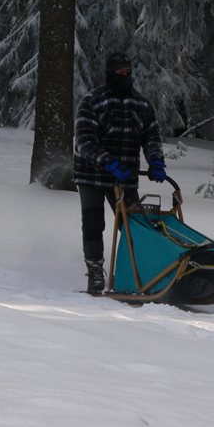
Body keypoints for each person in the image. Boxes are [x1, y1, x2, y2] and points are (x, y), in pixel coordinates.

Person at [73, 52, 167, 293]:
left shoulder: (142, 104)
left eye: (128, 72)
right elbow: (84, 140)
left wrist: (155, 160)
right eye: (120, 73)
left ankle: (134, 272)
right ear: (110, 74)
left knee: (132, 225)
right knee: (94, 224)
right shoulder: (92, 101)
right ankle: (95, 271)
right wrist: (107, 162)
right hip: (91, 176)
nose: (125, 76)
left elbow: (152, 136)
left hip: (125, 178)